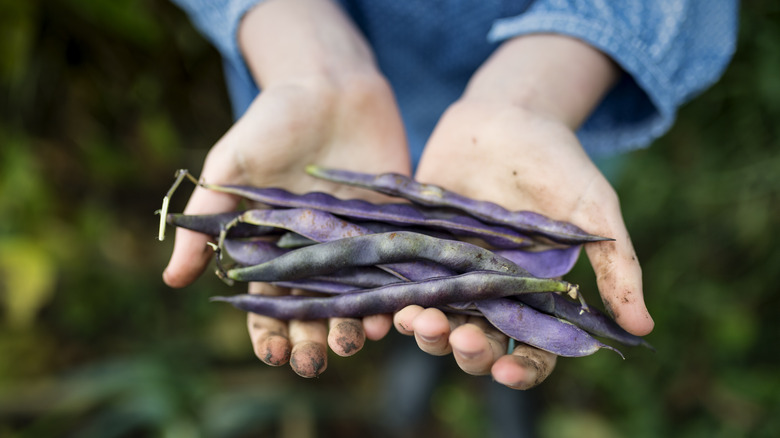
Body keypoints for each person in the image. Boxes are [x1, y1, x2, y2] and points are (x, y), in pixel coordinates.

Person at [163, 0, 738, 389]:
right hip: (324, 121)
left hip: (551, 100)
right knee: (425, 300)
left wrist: (536, 92)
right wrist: (309, 59)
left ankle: (499, 355)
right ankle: (439, 351)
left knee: (501, 279)